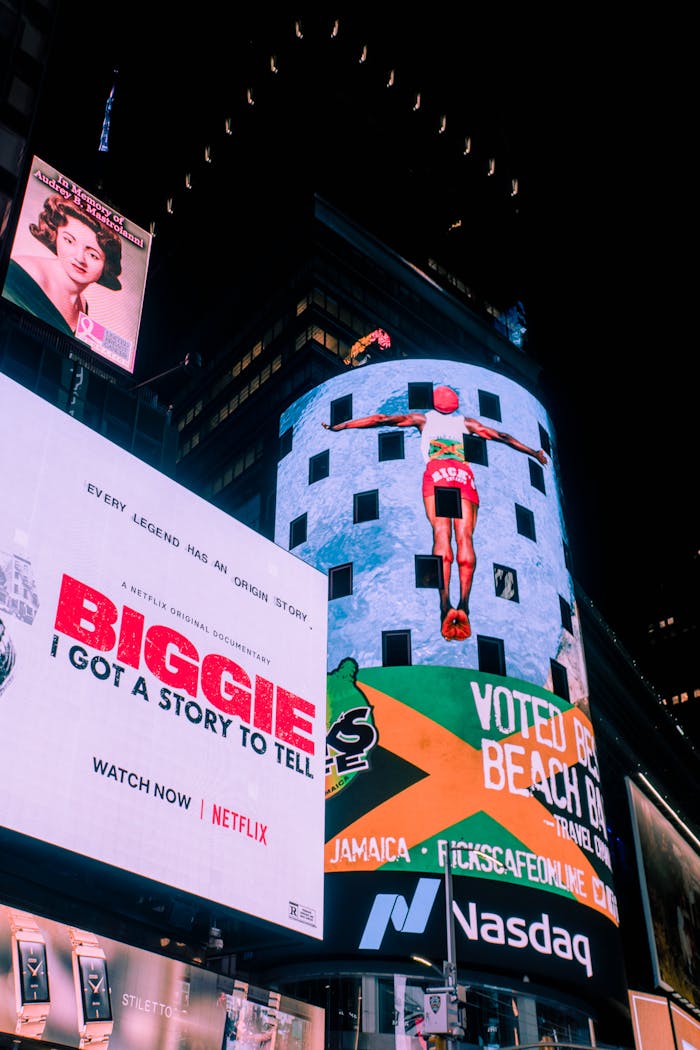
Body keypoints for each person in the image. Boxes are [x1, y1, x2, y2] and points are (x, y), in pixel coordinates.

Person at [323, 385, 548, 642]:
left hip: (437, 476)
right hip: (462, 477)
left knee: (441, 535)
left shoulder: (423, 419)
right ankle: (465, 604)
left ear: (434, 403)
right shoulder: (467, 423)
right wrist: (534, 453)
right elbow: (503, 437)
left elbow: (380, 420)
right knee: (465, 538)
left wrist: (340, 426)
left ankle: (444, 606)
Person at [3, 193, 122, 336]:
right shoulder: (15, 275)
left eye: (93, 255)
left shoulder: (83, 305)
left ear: (106, 265)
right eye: (69, 241)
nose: (79, 259)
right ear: (55, 234)